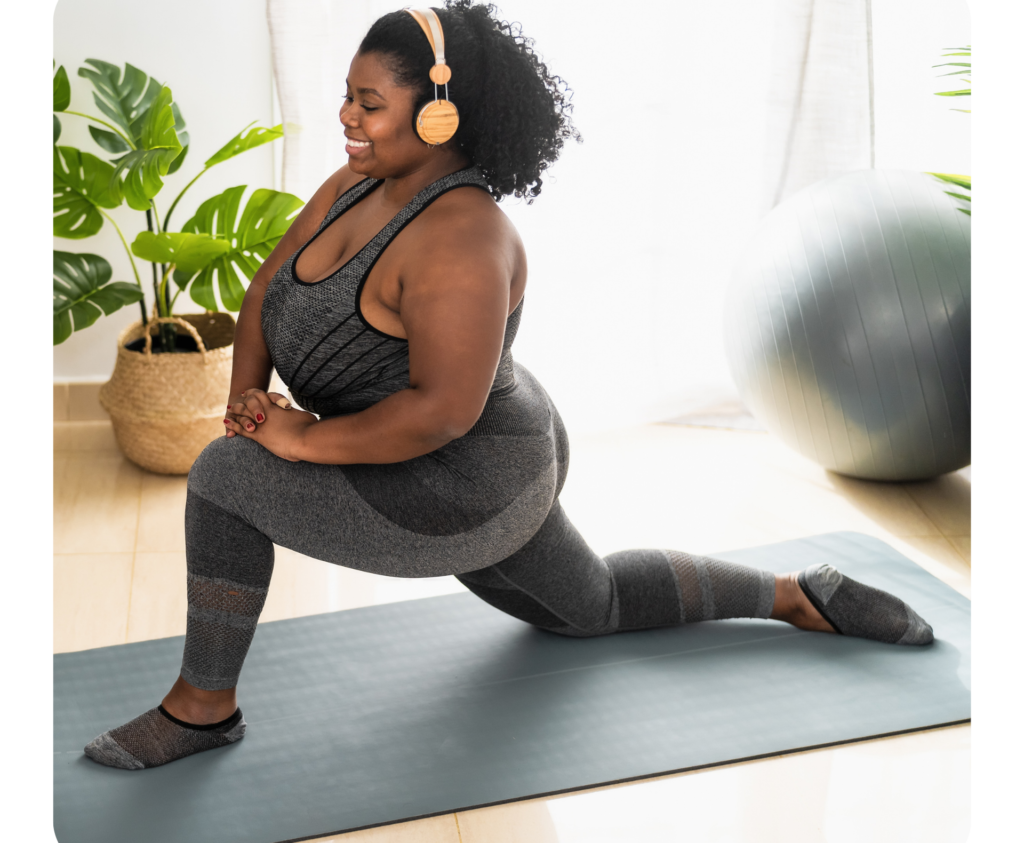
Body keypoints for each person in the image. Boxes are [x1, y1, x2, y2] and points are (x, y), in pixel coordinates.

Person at [84, 1, 933, 771]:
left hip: (468, 478)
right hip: (436, 448)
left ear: (439, 110)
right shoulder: (354, 183)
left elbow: (440, 412)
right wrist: (249, 398)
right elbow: (268, 287)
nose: (346, 116)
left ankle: (203, 709)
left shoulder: (463, 238)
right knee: (588, 604)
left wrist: (296, 436)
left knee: (225, 480)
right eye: (346, 94)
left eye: (368, 103)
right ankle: (795, 594)